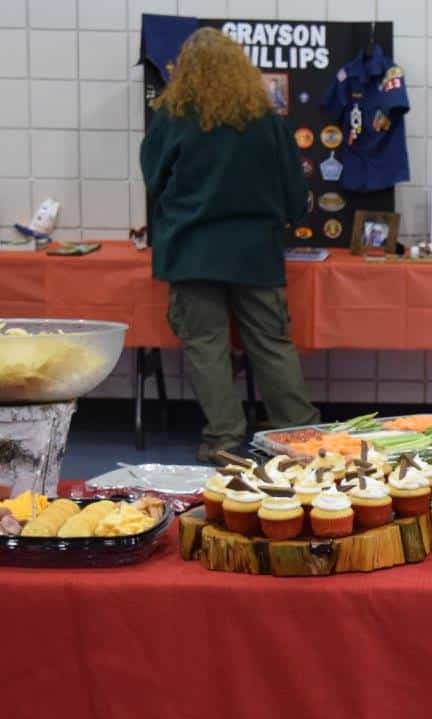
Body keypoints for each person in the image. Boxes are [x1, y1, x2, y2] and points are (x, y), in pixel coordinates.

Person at [140, 27, 319, 463]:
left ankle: (223, 438)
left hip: (190, 251)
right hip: (256, 253)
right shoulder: (268, 121)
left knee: (206, 347)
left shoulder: (170, 117)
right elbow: (295, 192)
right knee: (272, 344)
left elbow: (153, 179)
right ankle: (299, 437)